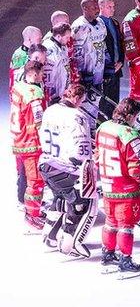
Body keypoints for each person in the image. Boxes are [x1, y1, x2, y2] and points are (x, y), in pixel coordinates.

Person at [38, 83, 96, 256]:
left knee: (59, 196)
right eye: (82, 101)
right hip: (63, 166)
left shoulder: (50, 109)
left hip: (46, 163)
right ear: (77, 98)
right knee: (82, 202)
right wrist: (88, 166)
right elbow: (81, 149)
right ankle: (68, 243)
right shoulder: (77, 116)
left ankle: (49, 236)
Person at [95, 97, 140, 277]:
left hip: (108, 185)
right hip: (126, 189)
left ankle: (108, 254)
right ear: (131, 115)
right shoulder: (130, 135)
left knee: (110, 222)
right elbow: (136, 168)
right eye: (136, 116)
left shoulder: (102, 128)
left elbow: (96, 155)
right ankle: (126, 260)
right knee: (126, 226)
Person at [10, 60, 47, 230]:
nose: (43, 76)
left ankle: (33, 210)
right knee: (36, 181)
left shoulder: (18, 87)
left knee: (28, 178)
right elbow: (38, 123)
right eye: (41, 73)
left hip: (19, 139)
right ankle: (32, 216)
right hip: (31, 143)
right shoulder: (34, 93)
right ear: (33, 74)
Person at [71, 0, 107, 128]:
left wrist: (107, 63)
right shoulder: (79, 26)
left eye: (97, 7)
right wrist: (81, 72)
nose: (97, 10)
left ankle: (92, 129)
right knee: (84, 104)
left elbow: (102, 45)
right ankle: (83, 129)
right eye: (93, 8)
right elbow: (75, 52)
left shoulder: (101, 23)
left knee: (95, 101)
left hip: (99, 71)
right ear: (84, 9)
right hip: (86, 74)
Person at [99, 0, 124, 119]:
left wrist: (121, 62)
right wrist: (108, 66)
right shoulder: (98, 24)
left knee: (115, 98)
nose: (113, 9)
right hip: (105, 69)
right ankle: (103, 121)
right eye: (109, 7)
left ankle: (114, 119)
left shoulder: (115, 22)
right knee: (105, 98)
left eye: (113, 6)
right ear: (101, 7)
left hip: (117, 67)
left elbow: (120, 43)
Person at [41, 23, 73, 104]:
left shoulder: (62, 45)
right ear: (58, 36)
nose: (69, 40)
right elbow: (48, 74)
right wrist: (52, 94)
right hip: (54, 94)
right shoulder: (49, 49)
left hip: (62, 90)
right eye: (67, 37)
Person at [10, 25, 41, 90]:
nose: (40, 42)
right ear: (30, 39)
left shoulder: (35, 52)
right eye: (39, 39)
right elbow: (17, 77)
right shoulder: (19, 55)